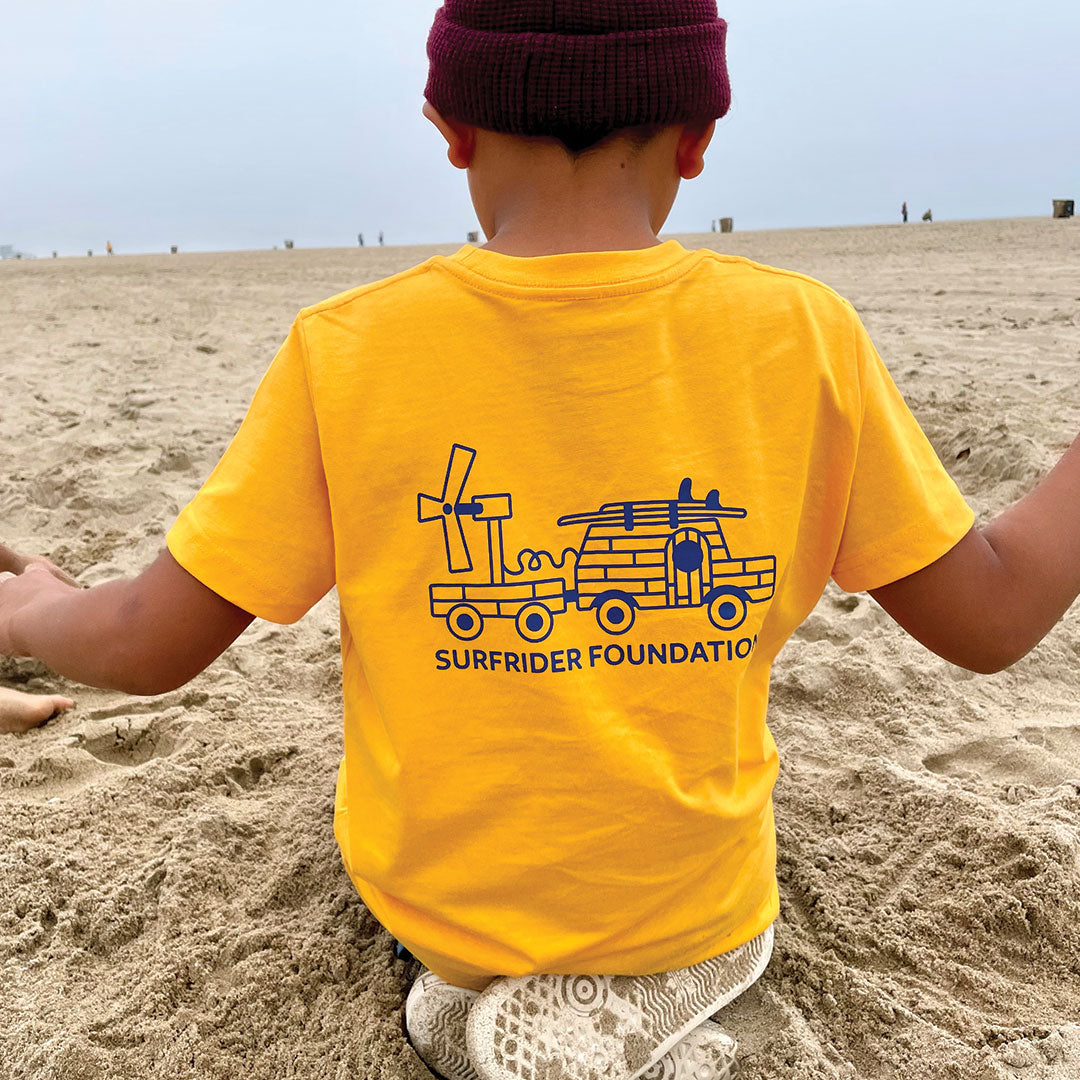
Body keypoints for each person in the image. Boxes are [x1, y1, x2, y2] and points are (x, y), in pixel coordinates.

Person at [2, 4, 1080, 1079]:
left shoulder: (348, 350)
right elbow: (992, 617)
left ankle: (486, 1000)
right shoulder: (804, 334)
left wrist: (36, 609)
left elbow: (147, 642)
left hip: (441, 922)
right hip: (699, 914)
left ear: (449, 128)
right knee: (716, 916)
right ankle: (663, 990)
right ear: (700, 137)